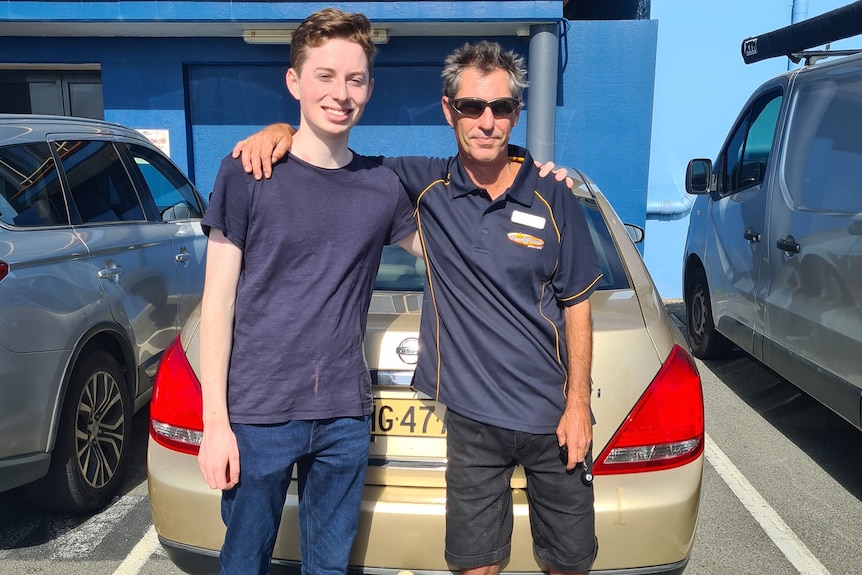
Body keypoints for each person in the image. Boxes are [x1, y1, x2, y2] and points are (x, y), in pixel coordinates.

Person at [235, 40, 602, 575]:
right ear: (448, 110)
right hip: (472, 421)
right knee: (476, 567)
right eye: (472, 107)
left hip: (553, 417)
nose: (487, 121)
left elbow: (578, 305)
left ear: (516, 115)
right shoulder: (422, 182)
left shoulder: (553, 192)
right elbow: (339, 161)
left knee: (569, 564)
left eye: (501, 108)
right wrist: (281, 131)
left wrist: (576, 405)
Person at [197, 8, 419, 575]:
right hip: (258, 413)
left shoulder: (382, 185)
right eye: (325, 76)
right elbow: (217, 306)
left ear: (370, 87)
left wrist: (531, 176)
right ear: (294, 82)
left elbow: (456, 246)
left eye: (355, 78)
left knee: (328, 566)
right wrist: (215, 425)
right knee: (243, 560)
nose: (340, 93)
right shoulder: (246, 174)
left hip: (344, 415)